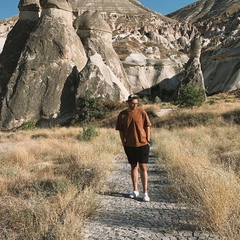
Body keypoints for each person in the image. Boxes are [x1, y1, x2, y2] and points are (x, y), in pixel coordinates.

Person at [116, 94, 151, 202]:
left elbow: (147, 126)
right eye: (132, 103)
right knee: (133, 167)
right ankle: (135, 190)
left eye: (136, 103)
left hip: (143, 144)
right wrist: (123, 142)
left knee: (143, 167)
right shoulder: (122, 115)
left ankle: (145, 193)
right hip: (129, 145)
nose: (134, 105)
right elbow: (121, 131)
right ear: (128, 103)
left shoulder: (142, 112)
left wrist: (148, 140)